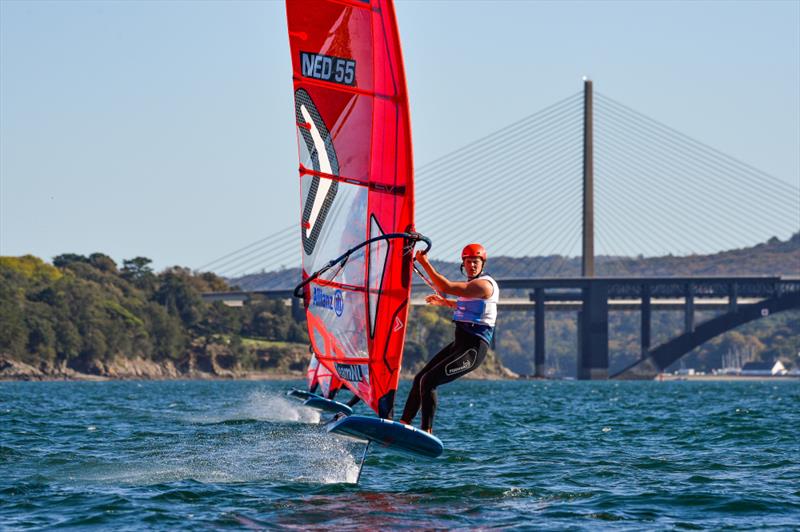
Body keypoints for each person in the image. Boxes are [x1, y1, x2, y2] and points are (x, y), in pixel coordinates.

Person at [399, 243, 499, 434]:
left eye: (476, 262)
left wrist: (424, 263)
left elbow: (446, 286)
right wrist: (445, 302)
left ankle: (426, 432)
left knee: (429, 382)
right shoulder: (472, 287)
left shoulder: (483, 284)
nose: (472, 265)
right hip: (459, 344)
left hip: (473, 349)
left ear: (482, 263)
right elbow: (469, 305)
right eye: (468, 262)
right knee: (420, 378)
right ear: (463, 264)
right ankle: (403, 424)